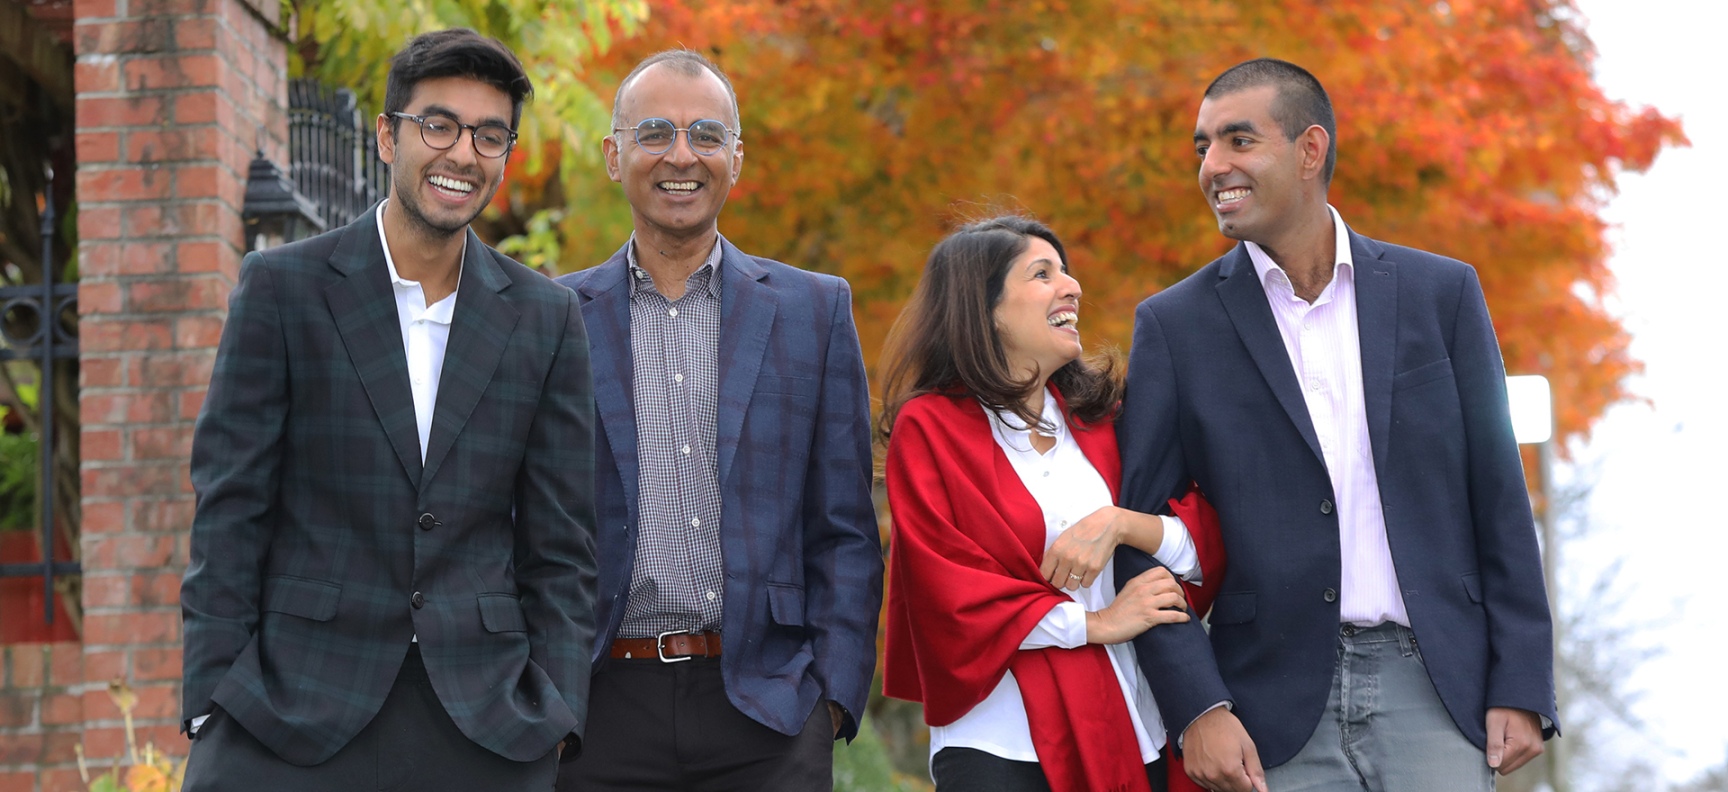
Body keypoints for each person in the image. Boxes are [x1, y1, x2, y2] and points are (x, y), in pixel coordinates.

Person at [1118, 58, 1559, 792]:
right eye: (1203, 148)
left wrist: (1521, 679)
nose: (1213, 167)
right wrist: (1197, 706)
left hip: (1438, 693)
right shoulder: (1174, 326)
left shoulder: (1441, 295)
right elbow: (1135, 535)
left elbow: (1498, 498)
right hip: (1267, 712)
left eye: (1237, 141)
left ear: (1310, 149)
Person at [179, 28, 598, 791]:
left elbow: (562, 544)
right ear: (386, 135)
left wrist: (558, 708)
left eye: (489, 135)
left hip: (486, 723)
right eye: (438, 124)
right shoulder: (284, 289)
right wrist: (212, 696)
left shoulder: (545, 317)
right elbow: (230, 503)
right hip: (292, 711)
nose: (462, 154)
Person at [553, 49, 883, 791]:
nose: (681, 155)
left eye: (705, 135)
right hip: (600, 709)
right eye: (654, 134)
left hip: (768, 710)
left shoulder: (814, 311)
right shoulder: (551, 317)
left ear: (737, 158)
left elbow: (846, 528)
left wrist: (828, 698)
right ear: (613, 155)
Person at [878, 216, 1226, 792]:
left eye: (1067, 270)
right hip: (1001, 739)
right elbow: (947, 592)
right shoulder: (931, 429)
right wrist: (1094, 623)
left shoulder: (1105, 420)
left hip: (1134, 722)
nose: (1073, 287)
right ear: (985, 309)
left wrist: (1121, 525)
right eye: (1043, 274)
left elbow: (1199, 544)